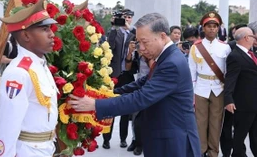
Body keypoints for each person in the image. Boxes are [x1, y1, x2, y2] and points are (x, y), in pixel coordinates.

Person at [68, 12, 201, 157]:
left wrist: (95, 104)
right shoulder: (165, 57)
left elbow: (140, 98)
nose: (141, 48)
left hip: (174, 143)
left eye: (144, 42)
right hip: (164, 137)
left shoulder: (171, 63)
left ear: (162, 36)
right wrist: (106, 93)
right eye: (138, 42)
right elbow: (141, 83)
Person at [0, 0, 59, 157]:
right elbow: (8, 124)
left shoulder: (40, 65)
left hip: (45, 147)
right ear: (26, 35)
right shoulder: (18, 73)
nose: (52, 34)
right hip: (28, 151)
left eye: (50, 28)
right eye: (44, 29)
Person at [188, 11, 231, 157]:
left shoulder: (225, 47)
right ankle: (200, 151)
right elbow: (191, 71)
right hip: (201, 88)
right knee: (200, 122)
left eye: (215, 26)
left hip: (219, 88)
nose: (212, 29)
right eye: (209, 26)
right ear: (203, 28)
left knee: (216, 123)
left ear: (218, 28)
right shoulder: (196, 47)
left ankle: (213, 152)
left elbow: (228, 71)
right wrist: (192, 93)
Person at [103, 8, 137, 149]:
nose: (127, 19)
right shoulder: (115, 32)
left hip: (127, 75)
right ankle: (106, 139)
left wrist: (131, 30)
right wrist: (113, 27)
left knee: (126, 109)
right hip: (114, 75)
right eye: (124, 17)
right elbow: (109, 47)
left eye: (129, 17)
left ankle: (123, 138)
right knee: (110, 107)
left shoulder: (134, 34)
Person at [224, 27, 257, 157]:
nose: (255, 39)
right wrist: (228, 99)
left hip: (254, 103)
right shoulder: (235, 56)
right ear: (247, 38)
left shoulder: (251, 54)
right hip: (243, 104)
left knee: (255, 136)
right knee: (240, 136)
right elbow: (230, 79)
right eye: (253, 36)